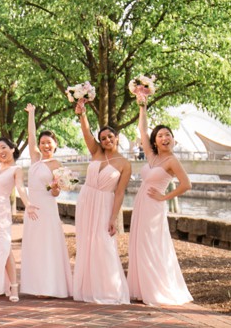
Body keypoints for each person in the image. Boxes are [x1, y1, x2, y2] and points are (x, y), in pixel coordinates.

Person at [127, 99, 193, 305]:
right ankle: (141, 288)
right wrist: (142, 106)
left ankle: (155, 288)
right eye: (161, 135)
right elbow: (142, 129)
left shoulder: (172, 161)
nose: (165, 138)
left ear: (173, 140)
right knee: (139, 244)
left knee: (152, 245)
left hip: (154, 206)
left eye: (168, 135)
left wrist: (163, 197)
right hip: (141, 204)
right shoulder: (152, 157)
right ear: (155, 141)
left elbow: (186, 184)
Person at [71, 100, 131, 305]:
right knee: (86, 243)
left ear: (117, 138)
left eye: (110, 137)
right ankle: (87, 288)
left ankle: (109, 290)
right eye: (103, 138)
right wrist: (82, 113)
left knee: (104, 243)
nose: (106, 140)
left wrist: (113, 218)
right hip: (86, 200)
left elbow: (120, 192)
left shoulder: (124, 164)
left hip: (105, 204)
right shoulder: (96, 152)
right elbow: (86, 133)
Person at [0, 115, 36, 302]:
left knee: (5, 248)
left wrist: (27, 204)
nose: (0, 151)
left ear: (12, 149)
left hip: (2, 212)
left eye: (3, 147)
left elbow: (20, 187)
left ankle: (14, 287)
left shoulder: (16, 169)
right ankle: (4, 284)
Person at [19, 104, 71, 298]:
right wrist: (31, 115)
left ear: (55, 144)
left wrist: (56, 188)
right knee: (34, 245)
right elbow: (30, 136)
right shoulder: (35, 160)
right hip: (32, 208)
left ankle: (50, 286)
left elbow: (55, 192)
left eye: (49, 142)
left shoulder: (57, 164)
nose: (45, 146)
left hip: (48, 208)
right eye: (42, 143)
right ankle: (36, 285)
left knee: (48, 245)